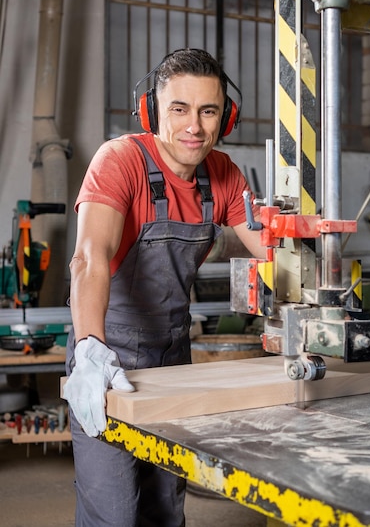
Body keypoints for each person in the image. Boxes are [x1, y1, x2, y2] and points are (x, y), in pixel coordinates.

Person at [63, 48, 266, 527]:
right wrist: (90, 351)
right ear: (152, 112)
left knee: (165, 508)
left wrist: (337, 310)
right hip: (106, 359)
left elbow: (276, 255)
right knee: (113, 511)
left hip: (174, 357)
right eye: (179, 109)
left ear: (226, 118)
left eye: (208, 110)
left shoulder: (224, 175)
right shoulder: (120, 161)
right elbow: (89, 259)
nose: (194, 126)